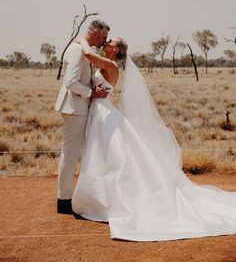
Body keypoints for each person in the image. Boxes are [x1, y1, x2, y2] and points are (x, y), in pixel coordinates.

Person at [72, 36, 236, 241]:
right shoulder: (106, 61)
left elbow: (87, 54)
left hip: (103, 112)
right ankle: (96, 198)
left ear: (117, 50)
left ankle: (104, 200)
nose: (107, 42)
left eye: (111, 41)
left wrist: (80, 40)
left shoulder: (111, 65)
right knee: (99, 155)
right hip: (97, 111)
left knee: (111, 157)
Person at [55, 20, 110, 214]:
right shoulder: (78, 51)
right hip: (74, 108)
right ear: (94, 33)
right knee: (69, 154)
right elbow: (71, 82)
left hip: (78, 107)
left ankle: (69, 197)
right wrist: (91, 93)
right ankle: (63, 201)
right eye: (103, 37)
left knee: (72, 154)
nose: (105, 41)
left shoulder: (81, 48)